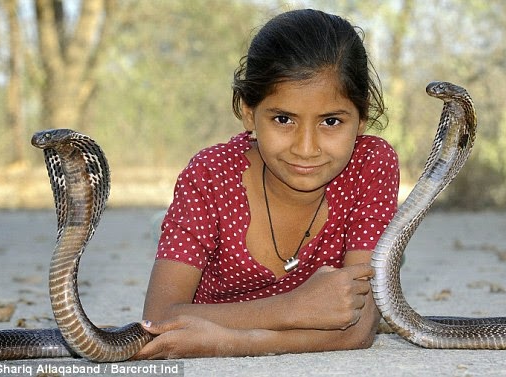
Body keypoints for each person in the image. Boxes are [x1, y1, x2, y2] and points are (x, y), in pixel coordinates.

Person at [133, 8, 400, 359]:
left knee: (385, 267)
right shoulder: (210, 175)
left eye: (331, 121)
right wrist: (296, 307)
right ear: (248, 112)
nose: (306, 149)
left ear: (362, 117)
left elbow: (359, 327)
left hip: (232, 317)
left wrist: (231, 342)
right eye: (283, 119)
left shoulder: (371, 165)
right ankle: (165, 225)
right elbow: (158, 319)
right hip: (215, 223)